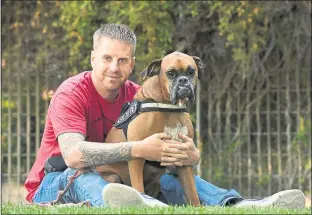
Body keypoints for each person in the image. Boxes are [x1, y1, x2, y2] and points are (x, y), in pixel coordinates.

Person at [24, 23, 305, 209]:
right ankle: (140, 203)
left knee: (170, 178)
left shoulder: (142, 96)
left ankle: (241, 205)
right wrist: (140, 148)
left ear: (133, 64)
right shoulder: (71, 92)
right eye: (107, 58)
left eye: (123, 60)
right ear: (93, 58)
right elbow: (73, 156)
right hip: (57, 180)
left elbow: (175, 152)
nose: (114, 67)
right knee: (84, 175)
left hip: (127, 182)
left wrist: (190, 155)